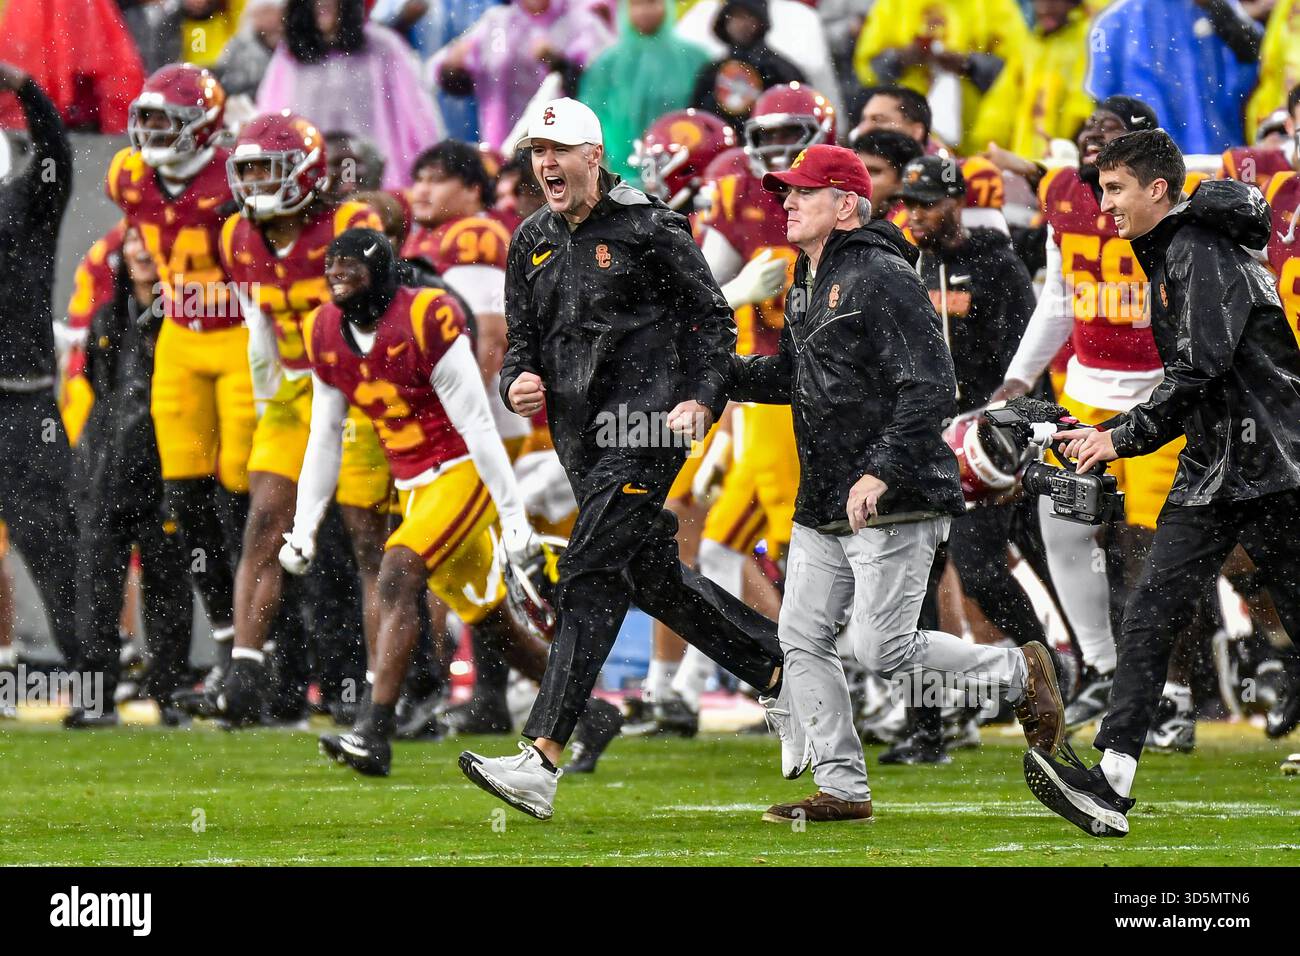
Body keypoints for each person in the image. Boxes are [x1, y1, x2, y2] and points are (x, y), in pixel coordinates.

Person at [458, 97, 788, 821]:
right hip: (581, 439)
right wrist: (519, 378)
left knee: (585, 572)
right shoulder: (533, 238)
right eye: (536, 152)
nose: (546, 164)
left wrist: (701, 396)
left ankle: (542, 755)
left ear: (593, 157)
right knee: (654, 581)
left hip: (651, 429)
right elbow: (523, 338)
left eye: (559, 151)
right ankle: (781, 669)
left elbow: (711, 319)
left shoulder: (650, 225)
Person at [728, 143, 1065, 823]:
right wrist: (715, 369)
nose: (786, 203)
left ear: (845, 205)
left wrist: (881, 470)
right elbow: (795, 378)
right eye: (784, 192)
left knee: (883, 648)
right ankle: (844, 789)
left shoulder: (883, 275)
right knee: (801, 638)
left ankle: (1019, 673)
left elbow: (931, 386)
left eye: (802, 192)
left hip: (895, 490)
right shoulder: (806, 270)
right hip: (827, 490)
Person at [1026, 129, 1300, 837]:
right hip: (1229, 461)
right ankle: (1111, 781)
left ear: (1157, 190)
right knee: (1150, 611)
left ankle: (1114, 775)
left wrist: (1115, 436)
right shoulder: (1193, 245)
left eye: (1115, 189)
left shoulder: (1196, 250)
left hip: (1271, 464)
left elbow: (1199, 370)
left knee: (1166, 611)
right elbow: (1205, 377)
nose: (1103, 204)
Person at [281, 229, 623, 775]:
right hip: (415, 485)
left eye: (352, 268)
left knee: (396, 571)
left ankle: (373, 731)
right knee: (493, 626)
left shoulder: (424, 317)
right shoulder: (324, 330)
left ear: (382, 274)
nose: (339, 279)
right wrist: (303, 525)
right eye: (333, 269)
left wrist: (513, 517)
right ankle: (590, 714)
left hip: (463, 470)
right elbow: (325, 437)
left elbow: (478, 426)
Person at [170, 113, 390, 725]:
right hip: (295, 391)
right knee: (264, 522)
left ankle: (379, 690)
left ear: (306, 171)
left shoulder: (350, 224)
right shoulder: (238, 234)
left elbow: (381, 312)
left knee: (366, 540)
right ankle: (245, 671)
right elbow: (259, 327)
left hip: (357, 389)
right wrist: (268, 403)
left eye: (267, 168)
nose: (255, 183)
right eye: (246, 171)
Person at [990, 98, 1195, 737]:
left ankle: (1175, 693)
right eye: (1089, 132)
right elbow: (1059, 294)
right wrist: (1021, 376)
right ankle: (1104, 669)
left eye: (1111, 135)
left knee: (1154, 546)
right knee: (1064, 523)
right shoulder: (1064, 195)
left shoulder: (1175, 209)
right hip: (1084, 391)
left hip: (1159, 394)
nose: (1093, 141)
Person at [885, 154, 1041, 763]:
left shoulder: (996, 264)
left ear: (956, 201)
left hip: (983, 437)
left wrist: (1007, 430)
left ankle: (1041, 667)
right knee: (917, 580)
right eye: (911, 204)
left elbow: (1024, 360)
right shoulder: (901, 263)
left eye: (928, 203)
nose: (918, 215)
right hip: (922, 438)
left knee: (978, 568)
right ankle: (927, 729)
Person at [110, 63, 255, 693]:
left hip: (243, 340)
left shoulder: (234, 179)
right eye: (144, 119)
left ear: (203, 127)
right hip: (180, 343)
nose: (149, 133)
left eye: (163, 120)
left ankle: (264, 649)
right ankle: (227, 642)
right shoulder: (126, 177)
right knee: (187, 502)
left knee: (245, 499)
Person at [65, 227, 194, 728]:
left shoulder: (186, 320)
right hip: (110, 473)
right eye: (134, 242)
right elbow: (102, 393)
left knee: (168, 585)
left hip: (168, 468)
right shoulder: (106, 317)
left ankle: (170, 694)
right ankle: (96, 697)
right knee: (98, 588)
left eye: (151, 243)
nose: (141, 252)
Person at [0, 63, 79, 667]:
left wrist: (27, 86)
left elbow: (55, 152)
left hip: (26, 404)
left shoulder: (25, 206)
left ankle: (89, 669)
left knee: (52, 543)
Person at [257, 0, 443, 189]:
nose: (323, 3)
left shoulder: (382, 47)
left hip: (378, 180)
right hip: (311, 182)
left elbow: (415, 119)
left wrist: (422, 173)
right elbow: (273, 118)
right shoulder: (291, 55)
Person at [430, 0, 614, 152]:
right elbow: (443, 74)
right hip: (501, 143)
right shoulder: (497, 22)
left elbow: (604, 80)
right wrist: (452, 67)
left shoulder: (579, 20)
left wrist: (560, 63)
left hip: (561, 141)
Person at [852, 0, 1028, 154]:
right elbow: (868, 68)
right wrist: (903, 58)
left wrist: (968, 65)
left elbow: (1016, 70)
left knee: (952, 183)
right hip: (901, 140)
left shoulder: (994, 5)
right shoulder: (893, 4)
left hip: (972, 140)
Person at [1085, 0, 1260, 154]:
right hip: (1150, 163)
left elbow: (1257, 60)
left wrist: (1218, 10)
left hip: (1219, 156)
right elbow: (1105, 105)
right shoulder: (1116, 21)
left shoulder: (1219, 8)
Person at [578, 0, 712, 181]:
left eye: (652, 3)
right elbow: (592, 113)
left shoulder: (693, 58)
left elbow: (707, 113)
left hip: (686, 170)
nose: (645, 11)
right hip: (623, 174)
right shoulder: (608, 63)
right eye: (637, 4)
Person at [969, 0, 1095, 160]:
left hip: (1063, 157)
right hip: (1022, 155)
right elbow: (1003, 99)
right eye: (1039, 2)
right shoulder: (1028, 45)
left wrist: (1062, 145)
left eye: (1053, 3)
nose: (1045, 8)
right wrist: (991, 141)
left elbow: (1081, 103)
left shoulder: (1084, 41)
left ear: (1071, 3)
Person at [689, 0, 805, 127]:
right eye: (735, 16)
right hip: (723, 145)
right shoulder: (711, 73)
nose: (741, 24)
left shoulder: (780, 71)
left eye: (748, 16)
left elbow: (802, 116)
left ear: (761, 21)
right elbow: (697, 121)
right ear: (725, 21)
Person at [851, 129, 924, 219]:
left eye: (873, 172)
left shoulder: (911, 229)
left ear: (904, 181)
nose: (858, 181)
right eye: (855, 171)